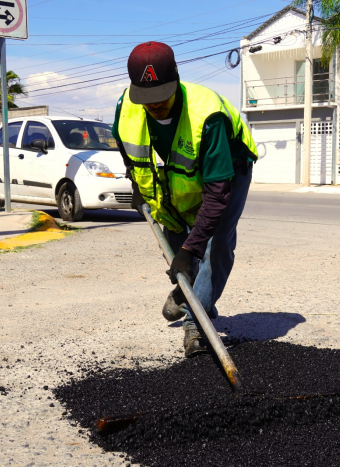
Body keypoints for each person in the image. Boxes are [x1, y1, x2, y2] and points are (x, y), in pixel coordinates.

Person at [111, 42, 257, 357]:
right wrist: (135, 182)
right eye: (147, 98)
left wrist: (191, 250)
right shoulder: (127, 106)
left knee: (216, 243)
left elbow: (217, 196)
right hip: (180, 171)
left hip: (230, 169)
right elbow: (124, 143)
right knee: (176, 228)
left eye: (162, 95)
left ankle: (196, 324)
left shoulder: (208, 115)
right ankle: (190, 293)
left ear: (176, 77)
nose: (154, 104)